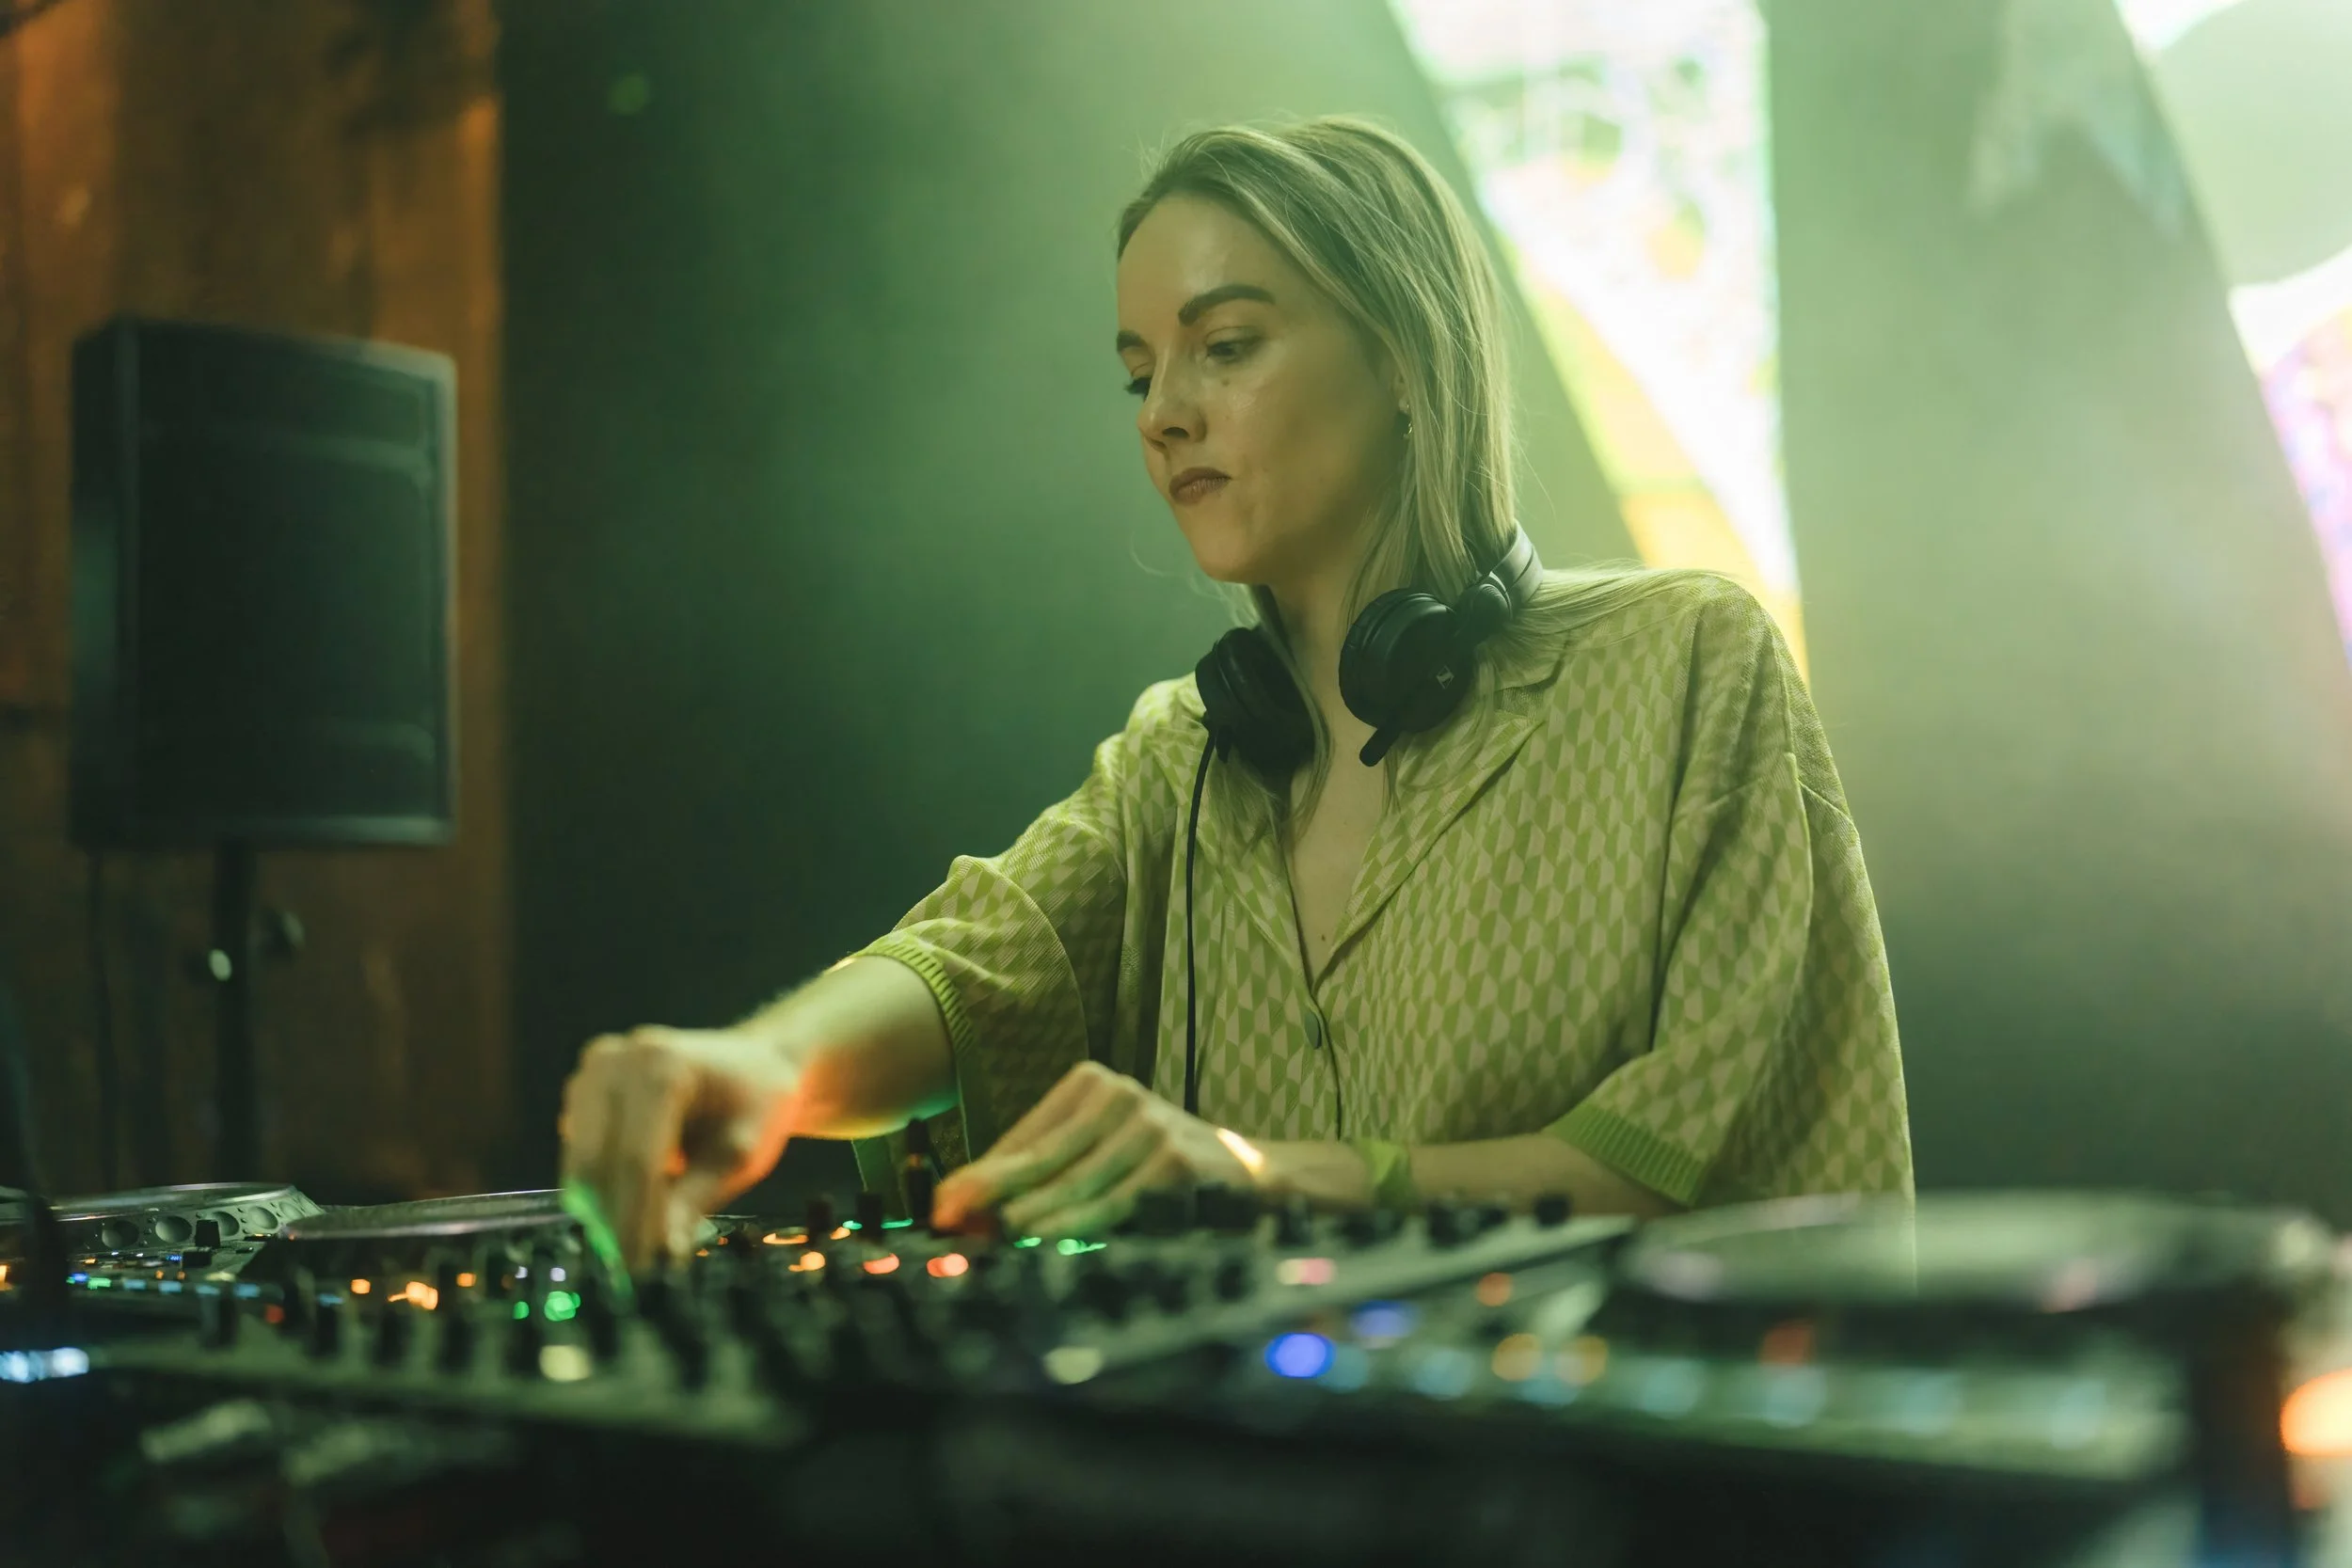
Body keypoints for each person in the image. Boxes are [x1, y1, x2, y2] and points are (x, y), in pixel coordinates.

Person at [560, 116, 1912, 1267]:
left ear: (1402, 355)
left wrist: (1262, 1170)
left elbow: (1714, 1174)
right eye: (1141, 372)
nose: (1163, 412)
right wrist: (762, 1066)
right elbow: (974, 964)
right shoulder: (1186, 755)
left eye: (1228, 345)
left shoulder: (1683, 661)